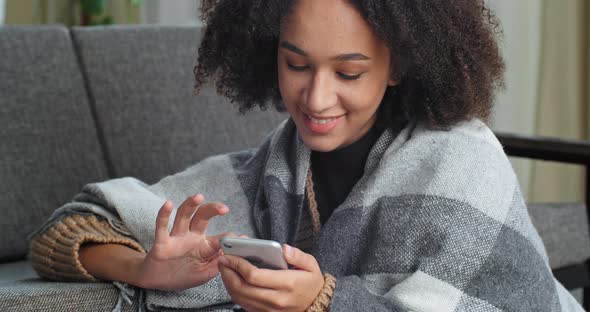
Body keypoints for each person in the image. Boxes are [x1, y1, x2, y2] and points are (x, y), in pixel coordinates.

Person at [29, 0, 584, 311]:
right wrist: (146, 268)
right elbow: (69, 232)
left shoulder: (462, 162)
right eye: (297, 65)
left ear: (399, 66)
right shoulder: (271, 169)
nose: (316, 100)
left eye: (348, 72)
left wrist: (322, 303)